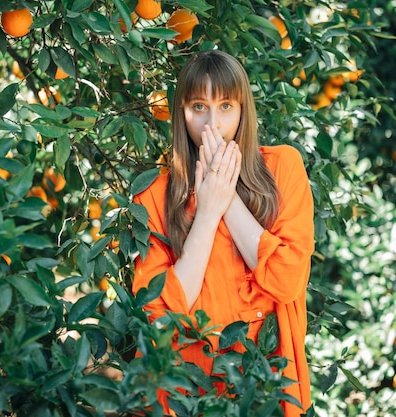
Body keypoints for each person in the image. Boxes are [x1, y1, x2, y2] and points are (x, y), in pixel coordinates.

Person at [132, 49, 315, 416]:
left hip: (265, 383)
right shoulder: (152, 196)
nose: (212, 125)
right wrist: (207, 212)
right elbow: (159, 314)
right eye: (199, 107)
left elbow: (286, 280)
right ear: (181, 113)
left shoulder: (283, 168)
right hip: (185, 388)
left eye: (226, 106)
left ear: (243, 110)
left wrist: (225, 195)